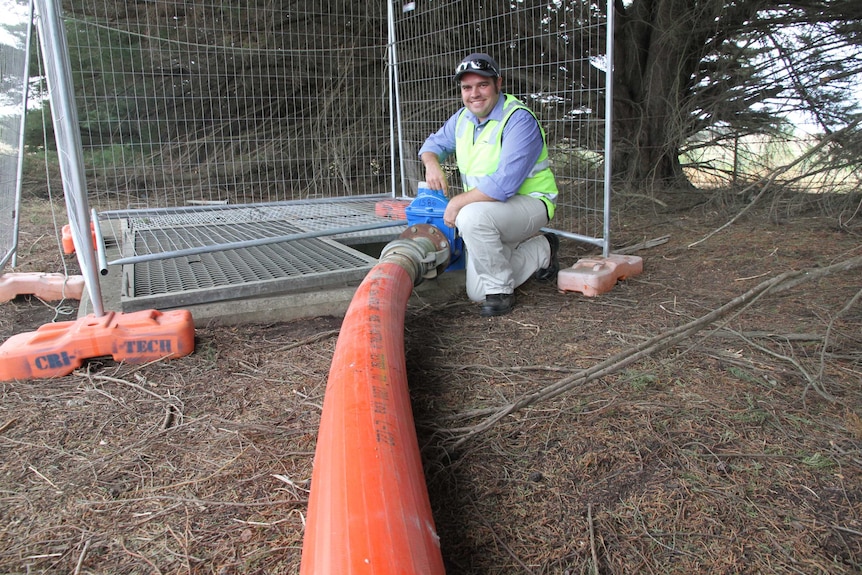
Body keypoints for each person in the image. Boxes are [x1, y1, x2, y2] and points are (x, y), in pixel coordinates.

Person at [419, 52, 560, 317]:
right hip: (493, 211)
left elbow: (503, 185)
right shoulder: (463, 119)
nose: (475, 93)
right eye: (467, 87)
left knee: (469, 216)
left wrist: (458, 202)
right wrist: (432, 163)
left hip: (531, 203)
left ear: (498, 83)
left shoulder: (518, 119)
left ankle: (501, 291)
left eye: (482, 85)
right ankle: (544, 250)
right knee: (476, 292)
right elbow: (431, 146)